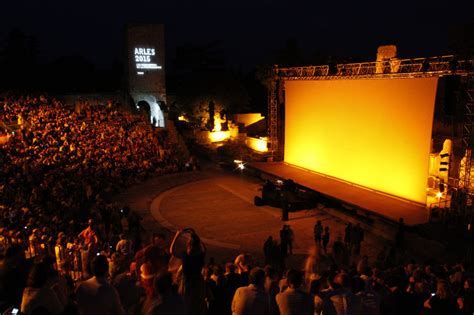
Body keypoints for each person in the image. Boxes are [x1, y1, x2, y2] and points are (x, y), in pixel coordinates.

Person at [170, 228, 207, 315]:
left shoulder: (185, 255)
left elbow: (172, 251)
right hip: (198, 282)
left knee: (187, 305)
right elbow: (204, 248)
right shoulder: (200, 255)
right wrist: (195, 236)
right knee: (198, 305)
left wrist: (177, 236)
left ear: (188, 244)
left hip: (187, 283)